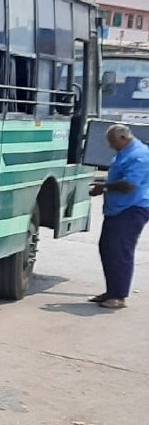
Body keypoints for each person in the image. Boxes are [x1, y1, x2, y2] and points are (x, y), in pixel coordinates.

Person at [88, 123, 149, 309]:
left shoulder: (139, 154)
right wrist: (103, 184)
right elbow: (116, 177)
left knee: (120, 251)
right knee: (107, 248)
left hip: (132, 208)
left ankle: (119, 296)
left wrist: (103, 187)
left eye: (113, 142)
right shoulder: (125, 152)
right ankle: (112, 290)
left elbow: (129, 184)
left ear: (123, 138)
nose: (111, 146)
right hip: (117, 209)